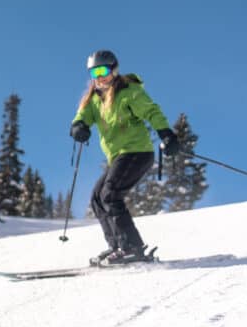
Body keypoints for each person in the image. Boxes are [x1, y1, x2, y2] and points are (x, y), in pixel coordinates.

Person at [69, 49, 179, 265]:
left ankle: (132, 247)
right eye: (94, 73)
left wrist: (166, 134)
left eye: (102, 71)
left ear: (113, 70)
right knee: (97, 198)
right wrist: (78, 127)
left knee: (110, 195)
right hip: (118, 156)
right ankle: (117, 246)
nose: (99, 77)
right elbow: (82, 117)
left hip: (137, 152)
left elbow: (151, 111)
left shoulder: (129, 91)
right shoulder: (94, 100)